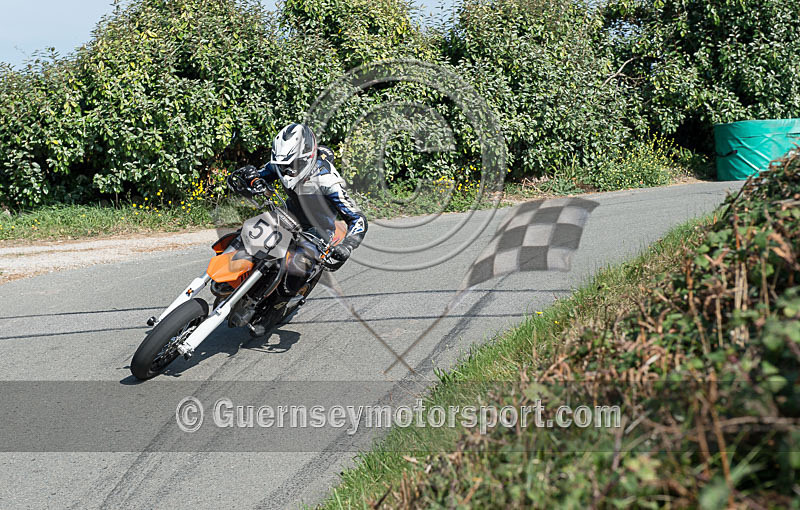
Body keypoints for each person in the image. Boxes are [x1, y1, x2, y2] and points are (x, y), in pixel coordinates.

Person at [239, 123, 368, 288]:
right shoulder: (280, 164)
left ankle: (281, 304)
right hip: (287, 217)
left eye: (291, 166)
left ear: (307, 157)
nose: (286, 171)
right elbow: (259, 177)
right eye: (282, 166)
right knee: (246, 236)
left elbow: (358, 218)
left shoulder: (328, 180)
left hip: (316, 233)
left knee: (297, 272)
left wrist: (348, 245)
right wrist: (250, 177)